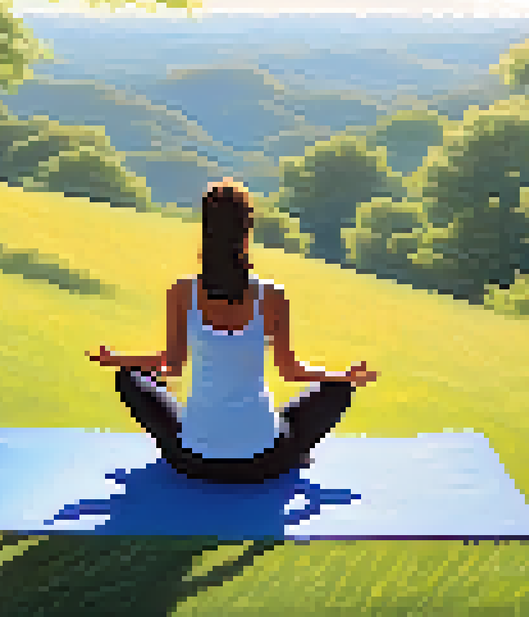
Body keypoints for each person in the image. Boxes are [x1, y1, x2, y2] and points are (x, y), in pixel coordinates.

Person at [88, 177, 379, 485]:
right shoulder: (272, 296)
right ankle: (293, 454)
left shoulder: (183, 291)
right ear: (246, 231)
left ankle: (202, 431)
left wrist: (119, 359)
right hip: (265, 461)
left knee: (129, 376)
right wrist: (345, 376)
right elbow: (291, 371)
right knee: (338, 389)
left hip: (192, 460)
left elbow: (171, 365)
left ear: (205, 230)